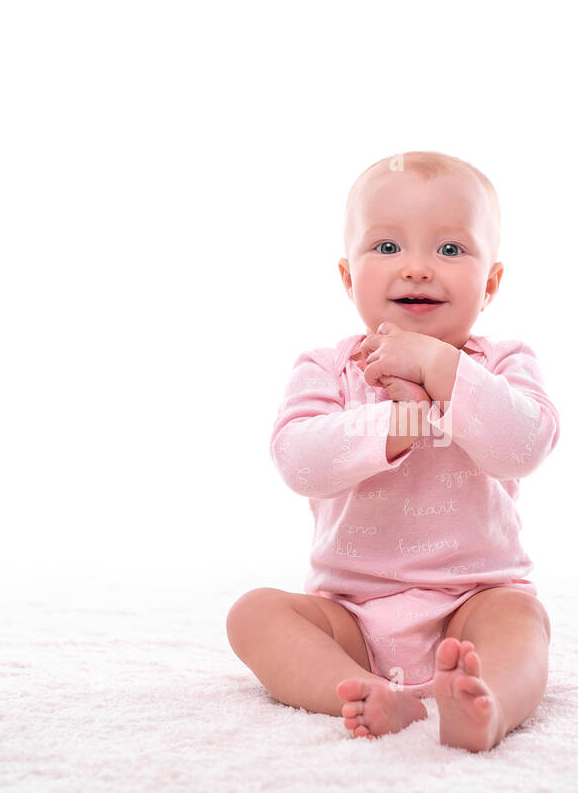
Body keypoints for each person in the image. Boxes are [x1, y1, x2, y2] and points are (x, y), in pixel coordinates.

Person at [226, 151, 559, 752]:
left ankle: (489, 707)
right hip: (351, 613)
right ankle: (356, 688)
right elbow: (298, 462)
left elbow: (524, 445)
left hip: (474, 598)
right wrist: (394, 423)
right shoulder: (328, 368)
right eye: (386, 247)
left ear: (491, 283)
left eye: (450, 250)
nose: (417, 269)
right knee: (253, 614)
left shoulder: (501, 365)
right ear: (348, 277)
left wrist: (441, 366)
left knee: (522, 622)